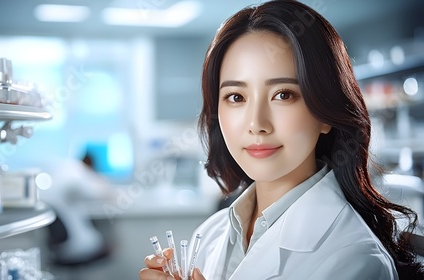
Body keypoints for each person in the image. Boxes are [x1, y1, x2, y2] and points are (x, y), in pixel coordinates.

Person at [139, 1, 424, 279]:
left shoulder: (355, 260)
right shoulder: (210, 234)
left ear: (326, 112)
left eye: (283, 94)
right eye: (236, 97)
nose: (256, 124)